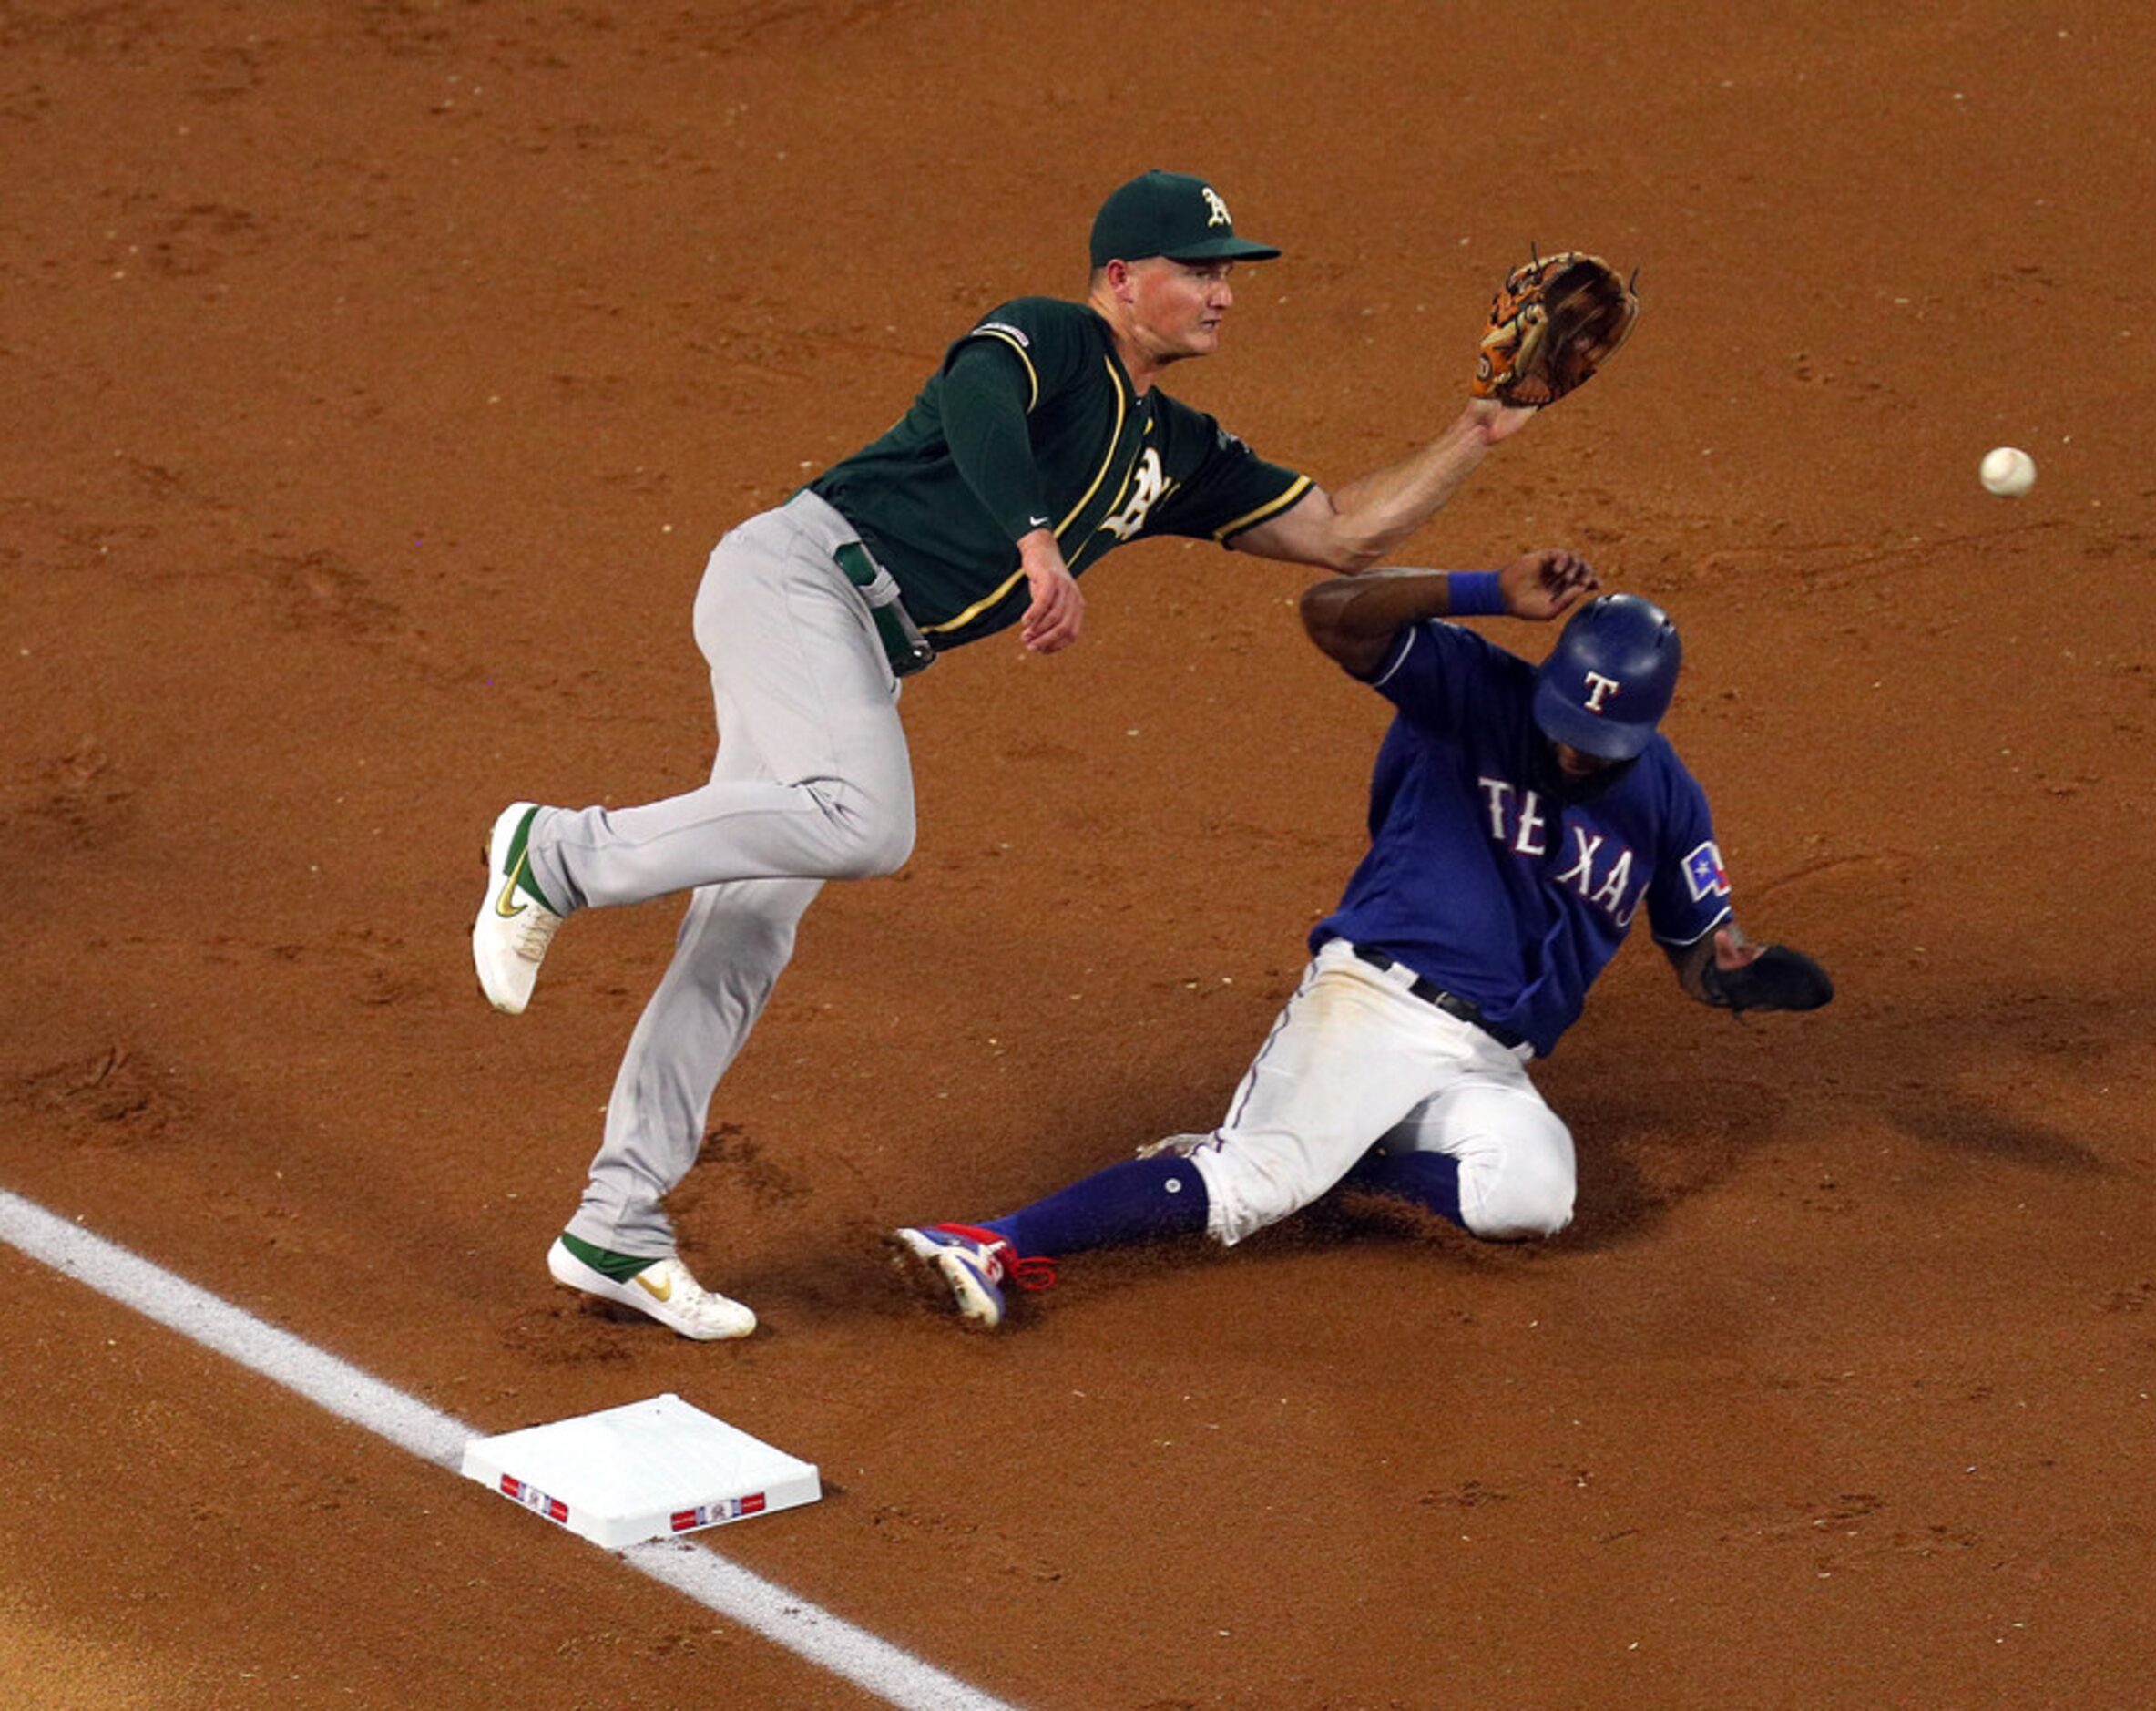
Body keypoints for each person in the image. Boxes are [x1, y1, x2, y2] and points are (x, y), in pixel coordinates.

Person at [473, 170, 1579, 1339]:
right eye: (1197, 271)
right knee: (862, 820)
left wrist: (1478, 435)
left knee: (747, 930)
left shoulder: (1178, 448)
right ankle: (557, 850)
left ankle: (617, 1222)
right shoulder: (1055, 337)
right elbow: (978, 402)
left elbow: (1343, 532)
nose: (1222, 294)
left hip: (853, 639)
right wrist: (1036, 541)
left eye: (1228, 274)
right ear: (1119, 279)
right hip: (800, 578)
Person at [891, 558, 1834, 1327]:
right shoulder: (1473, 690)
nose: (1573, 750)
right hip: (1376, 1001)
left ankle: (1332, 1165)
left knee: (1531, 1197)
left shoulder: (1669, 800)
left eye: (1600, 740)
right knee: (1253, 1182)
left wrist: (1743, 978)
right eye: (1565, 723)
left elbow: (1706, 952)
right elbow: (1332, 613)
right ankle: (995, 1237)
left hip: (1489, 1062)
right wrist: (1482, 590)